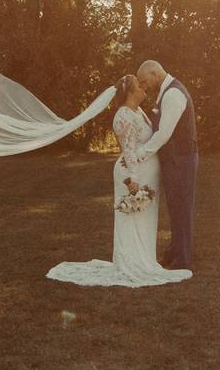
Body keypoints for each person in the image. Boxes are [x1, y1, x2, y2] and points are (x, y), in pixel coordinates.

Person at [45, 75, 192, 287]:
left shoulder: (138, 111)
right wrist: (132, 181)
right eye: (140, 87)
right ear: (131, 93)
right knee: (131, 219)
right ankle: (131, 264)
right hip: (133, 176)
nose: (144, 89)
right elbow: (128, 150)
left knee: (143, 220)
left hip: (145, 173)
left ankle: (144, 260)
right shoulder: (123, 116)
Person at [134, 60, 198, 271]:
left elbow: (163, 133)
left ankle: (183, 259)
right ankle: (175, 251)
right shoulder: (166, 92)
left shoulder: (172, 94)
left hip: (180, 159)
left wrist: (141, 153)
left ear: (155, 73)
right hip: (175, 159)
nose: (144, 86)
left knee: (181, 208)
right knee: (176, 207)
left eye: (145, 81)